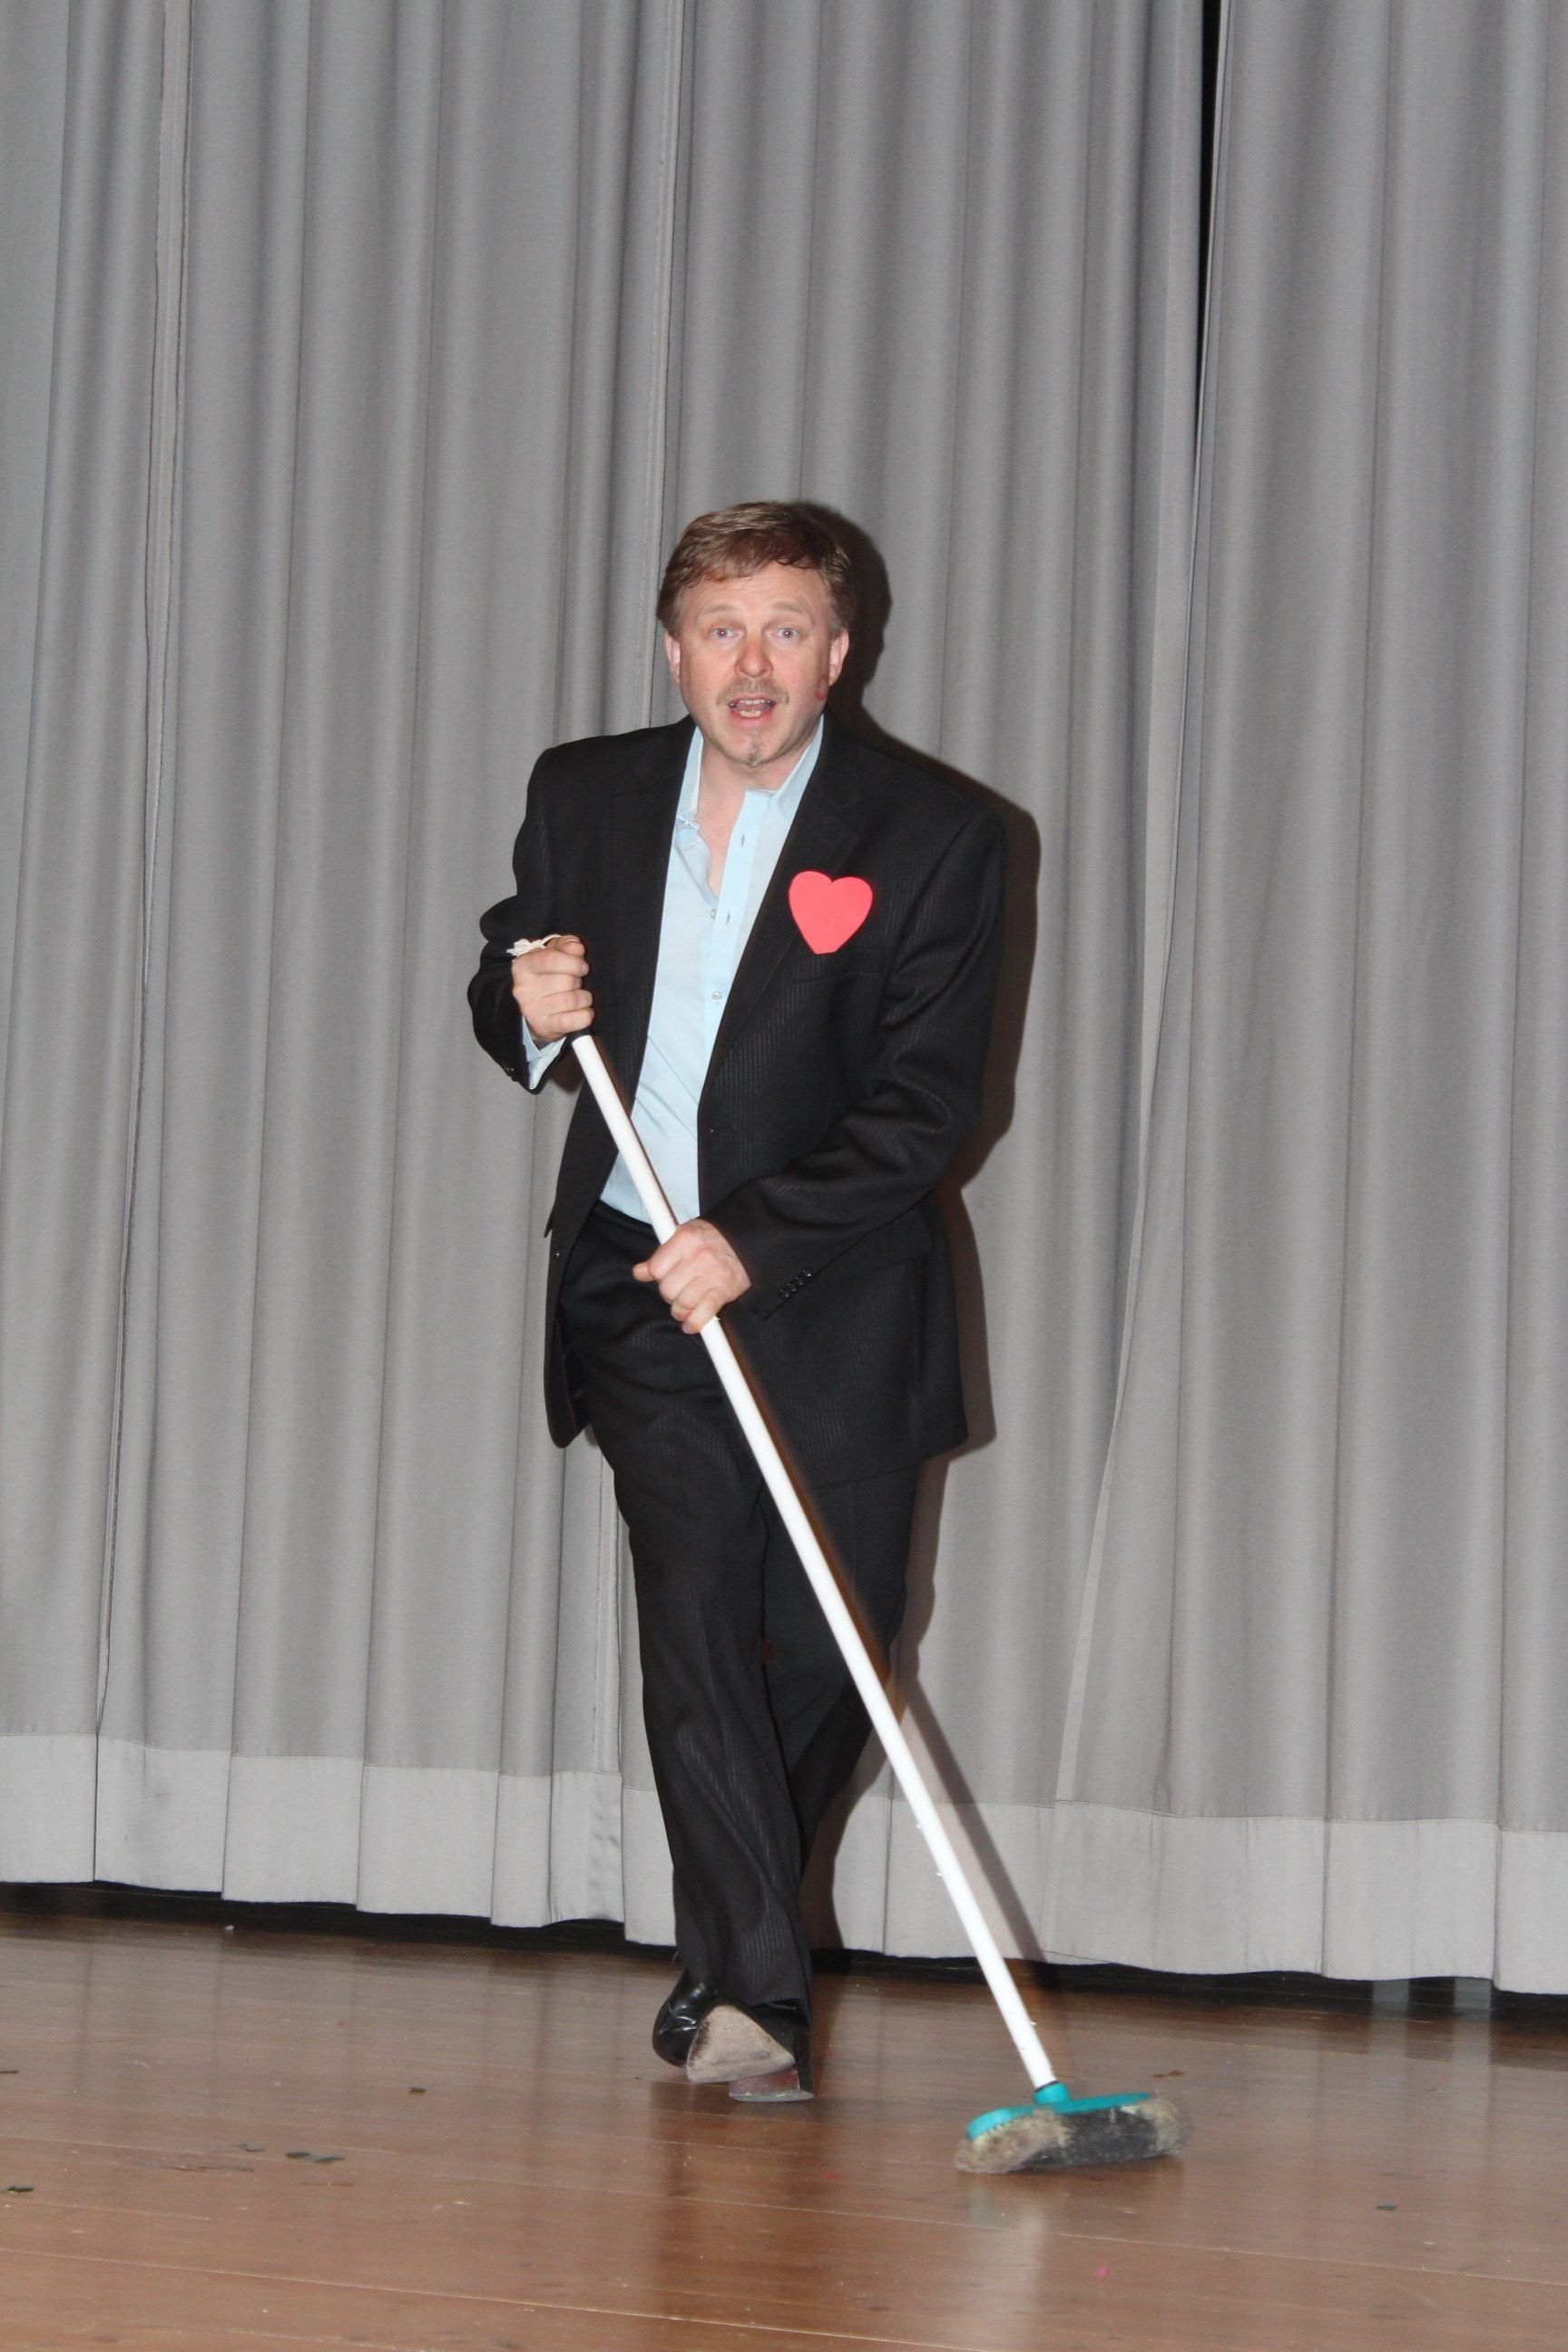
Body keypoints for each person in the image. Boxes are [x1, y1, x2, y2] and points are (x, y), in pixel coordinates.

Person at [469, 503, 1004, 2100]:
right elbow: (514, 970)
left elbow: (925, 1108)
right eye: (721, 629)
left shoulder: (939, 836)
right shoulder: (585, 793)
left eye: (785, 630)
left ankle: (728, 1937)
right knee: (700, 1615)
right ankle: (757, 1995)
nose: (750, 664)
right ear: (673, 648)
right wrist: (525, 1000)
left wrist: (753, 1238)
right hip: (639, 1278)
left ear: (839, 653)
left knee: (843, 1639)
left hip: (837, 1295)